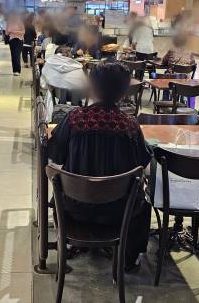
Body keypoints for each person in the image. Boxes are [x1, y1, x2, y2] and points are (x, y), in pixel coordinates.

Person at [48, 61, 152, 269]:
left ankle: (67, 241)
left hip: (75, 208)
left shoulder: (74, 119)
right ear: (122, 92)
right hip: (119, 211)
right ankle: (128, 260)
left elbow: (55, 154)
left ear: (92, 88)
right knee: (145, 203)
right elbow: (143, 160)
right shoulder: (130, 125)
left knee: (59, 192)